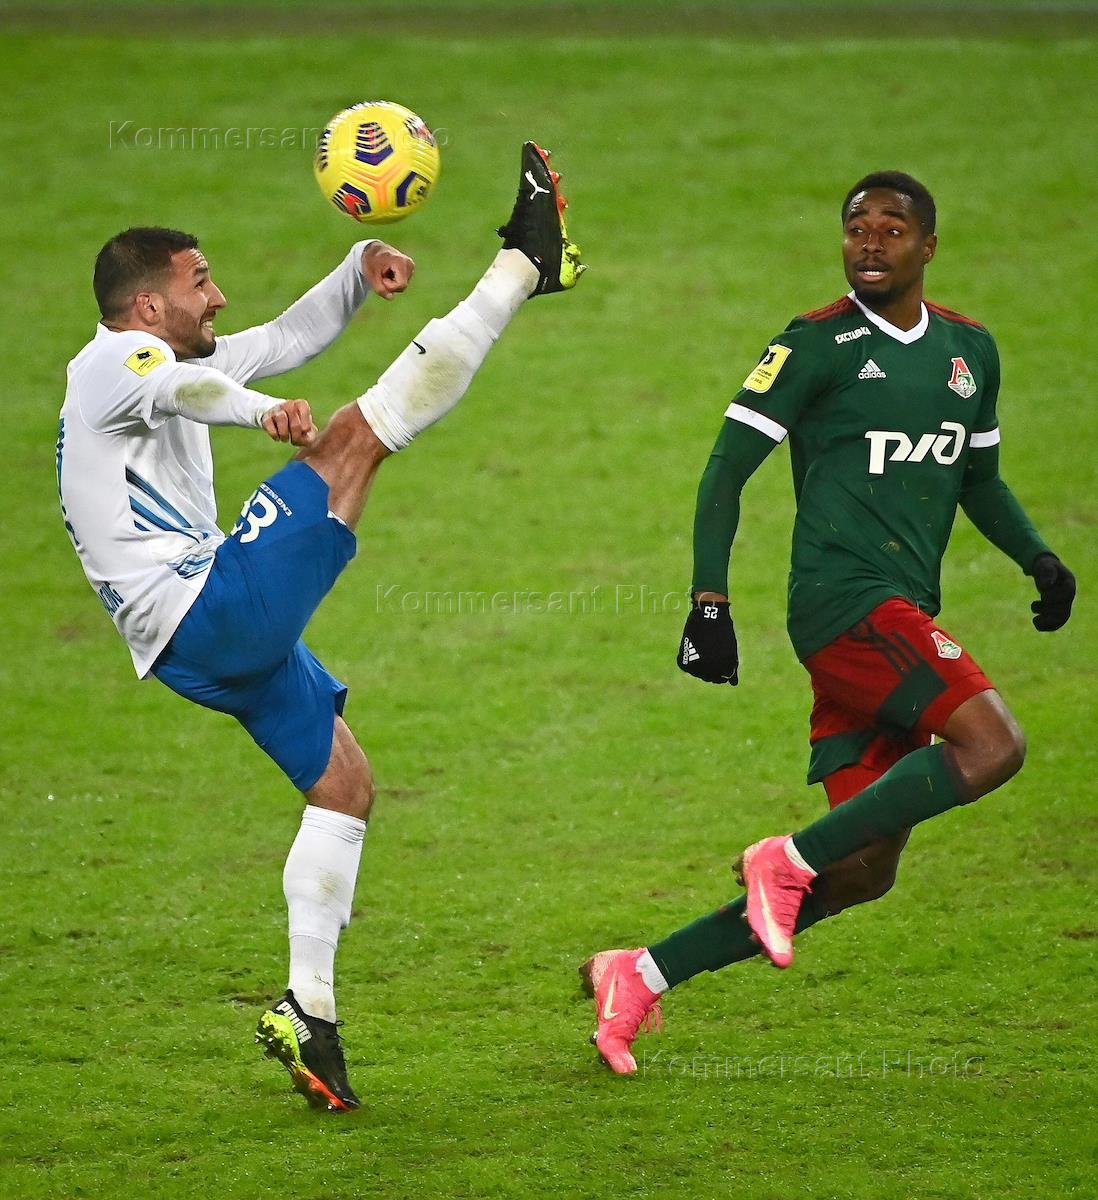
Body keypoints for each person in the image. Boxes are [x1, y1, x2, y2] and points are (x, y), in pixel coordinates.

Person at [58, 142, 584, 1110]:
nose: (218, 297)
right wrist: (263, 415)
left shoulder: (159, 354)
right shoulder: (111, 366)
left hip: (194, 638)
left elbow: (279, 339)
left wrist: (355, 271)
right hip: (207, 610)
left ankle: (310, 1012)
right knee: (355, 437)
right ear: (148, 308)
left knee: (344, 786)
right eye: (200, 283)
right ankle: (522, 267)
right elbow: (187, 391)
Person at [582, 171, 1076, 1074]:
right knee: (994, 744)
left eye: (893, 228)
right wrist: (709, 601)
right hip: (845, 604)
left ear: (928, 246)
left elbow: (979, 479)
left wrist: (1036, 556)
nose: (871, 241)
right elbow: (725, 470)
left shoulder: (970, 351)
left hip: (899, 613)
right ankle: (783, 856)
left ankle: (641, 973)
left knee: (862, 869)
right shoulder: (814, 345)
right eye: (857, 227)